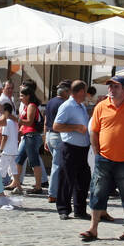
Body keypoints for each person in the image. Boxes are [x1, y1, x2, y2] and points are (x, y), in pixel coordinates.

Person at [80, 75, 124, 242]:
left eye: (116, 87)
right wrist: (96, 150)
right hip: (104, 159)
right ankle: (93, 229)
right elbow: (94, 130)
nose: (111, 90)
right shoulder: (101, 106)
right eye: (110, 87)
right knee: (97, 192)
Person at [53, 80, 92, 221]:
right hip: (70, 147)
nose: (86, 94)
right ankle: (63, 209)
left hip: (82, 148)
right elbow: (56, 126)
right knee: (66, 179)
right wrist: (75, 127)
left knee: (83, 180)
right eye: (85, 91)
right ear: (81, 91)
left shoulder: (80, 106)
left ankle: (80, 209)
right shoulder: (67, 106)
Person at [9, 85, 47, 195]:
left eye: (22, 95)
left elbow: (29, 122)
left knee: (33, 161)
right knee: (19, 160)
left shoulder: (31, 106)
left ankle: (38, 186)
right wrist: (20, 131)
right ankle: (16, 183)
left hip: (32, 136)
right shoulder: (27, 106)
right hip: (28, 136)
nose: (20, 97)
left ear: (28, 96)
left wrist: (16, 119)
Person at [44, 81, 71, 203]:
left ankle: (57, 191)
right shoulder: (65, 104)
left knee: (58, 165)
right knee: (57, 165)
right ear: (66, 91)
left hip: (50, 135)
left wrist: (45, 138)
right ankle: (53, 193)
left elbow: (45, 121)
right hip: (58, 136)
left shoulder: (50, 102)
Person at [0, 100, 20, 197]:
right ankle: (18, 186)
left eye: (1, 111)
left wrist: (0, 150)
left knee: (0, 169)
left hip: (7, 150)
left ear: (5, 111)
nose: (0, 113)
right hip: (13, 149)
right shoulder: (14, 122)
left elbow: (5, 137)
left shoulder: (7, 122)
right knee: (13, 169)